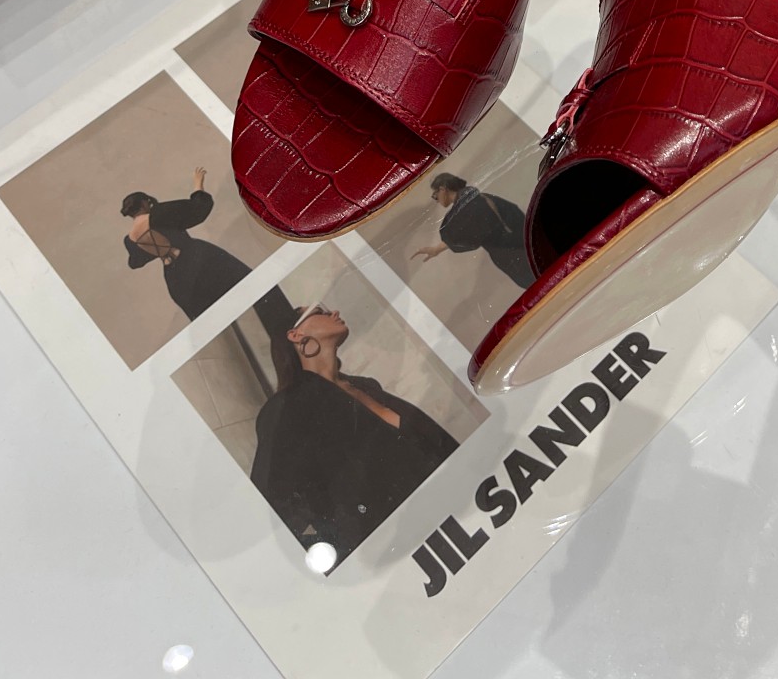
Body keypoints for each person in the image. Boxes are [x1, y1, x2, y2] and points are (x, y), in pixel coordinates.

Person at [250, 304, 459, 561]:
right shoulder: (285, 409)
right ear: (295, 334)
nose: (334, 312)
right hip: (403, 547)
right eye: (319, 311)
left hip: (454, 499)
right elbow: (274, 501)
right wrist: (338, 553)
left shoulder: (365, 386)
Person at [121, 167, 292, 338]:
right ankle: (290, 327)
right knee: (257, 287)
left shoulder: (130, 240)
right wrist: (198, 185)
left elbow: (135, 262)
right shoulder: (157, 214)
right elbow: (198, 209)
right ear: (144, 204)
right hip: (199, 260)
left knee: (218, 330)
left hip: (177, 281)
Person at [409, 173, 534, 288]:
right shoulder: (477, 198)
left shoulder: (468, 205)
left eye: (435, 196)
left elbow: (463, 234)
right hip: (521, 246)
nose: (437, 200)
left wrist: (437, 249)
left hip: (515, 253)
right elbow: (469, 231)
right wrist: (437, 249)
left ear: (442, 189)